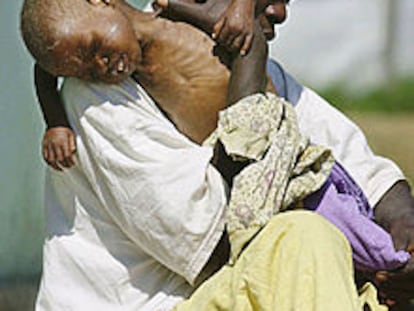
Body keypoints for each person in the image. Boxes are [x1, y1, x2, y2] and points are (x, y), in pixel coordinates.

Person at [20, 0, 414, 309]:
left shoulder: (242, 68)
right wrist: (248, 84)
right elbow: (211, 246)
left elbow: (361, 166)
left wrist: (405, 241)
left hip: (231, 289)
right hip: (157, 303)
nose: (278, 11)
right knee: (304, 238)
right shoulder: (98, 94)